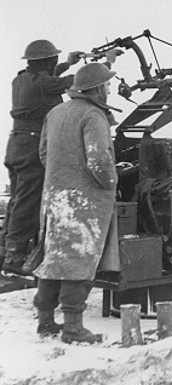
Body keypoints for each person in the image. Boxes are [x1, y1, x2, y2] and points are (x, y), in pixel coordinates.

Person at [32, 61, 120, 343]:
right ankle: (73, 328)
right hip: (84, 202)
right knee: (78, 262)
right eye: (107, 85)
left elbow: (44, 154)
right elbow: (99, 161)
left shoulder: (55, 112)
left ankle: (45, 321)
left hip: (54, 199)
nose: (109, 89)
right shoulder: (93, 115)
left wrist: (61, 177)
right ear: (97, 88)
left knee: (53, 259)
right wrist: (112, 183)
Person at [1, 40, 84, 275]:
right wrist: (105, 63)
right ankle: (15, 257)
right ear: (46, 61)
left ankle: (5, 250)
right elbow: (78, 81)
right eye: (53, 60)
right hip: (32, 146)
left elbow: (48, 79)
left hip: (17, 144)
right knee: (28, 201)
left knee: (18, 199)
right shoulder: (44, 84)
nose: (55, 62)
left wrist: (68, 63)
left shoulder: (22, 79)